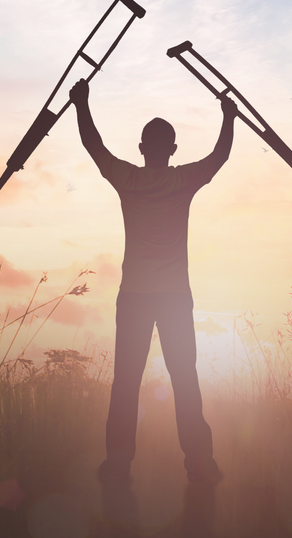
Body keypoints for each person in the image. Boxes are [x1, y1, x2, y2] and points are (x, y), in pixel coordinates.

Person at [68, 77, 235, 486]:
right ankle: (199, 462)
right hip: (176, 298)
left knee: (126, 381)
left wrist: (81, 104)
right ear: (172, 150)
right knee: (184, 378)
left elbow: (95, 147)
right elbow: (220, 155)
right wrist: (228, 117)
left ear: (142, 150)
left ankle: (118, 464)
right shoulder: (183, 180)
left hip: (136, 298)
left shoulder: (128, 179)